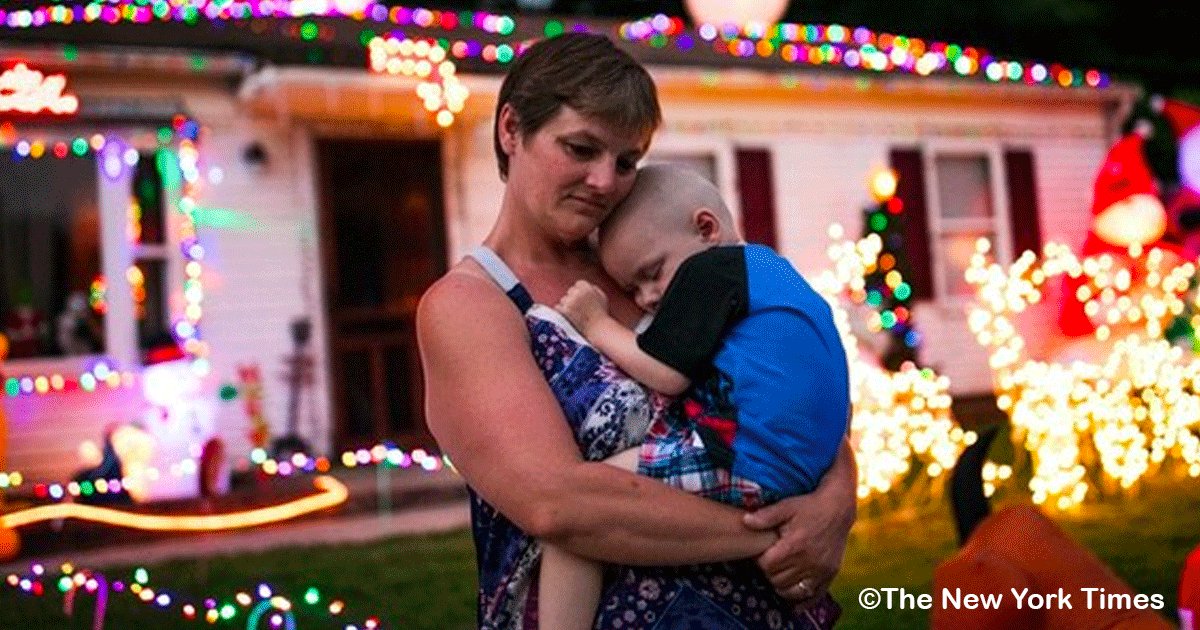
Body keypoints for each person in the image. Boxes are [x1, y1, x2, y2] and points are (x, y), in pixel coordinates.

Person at [416, 32, 857, 630]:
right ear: (511, 130)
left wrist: (835, 500)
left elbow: (787, 382)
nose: (604, 181)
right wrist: (774, 532)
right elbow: (561, 507)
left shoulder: (651, 267)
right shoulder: (471, 305)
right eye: (580, 148)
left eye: (626, 161)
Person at [539, 164, 851, 629]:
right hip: (801, 467)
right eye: (632, 288)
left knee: (581, 515)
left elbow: (666, 373)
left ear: (706, 229)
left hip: (749, 462)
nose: (646, 297)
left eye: (652, 273)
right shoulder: (772, 270)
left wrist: (595, 322)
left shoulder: (712, 270)